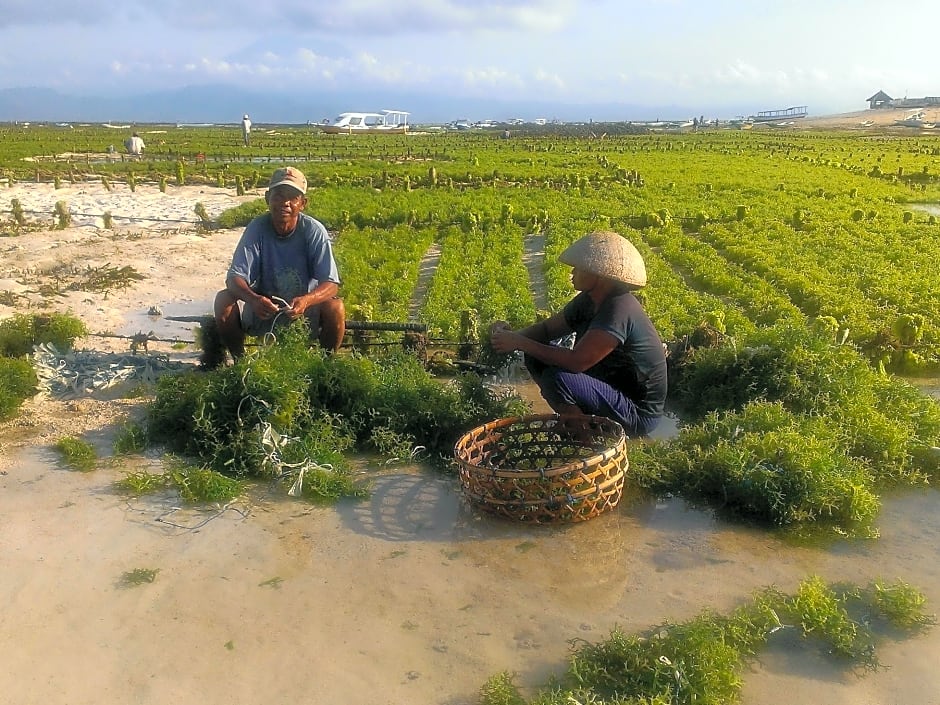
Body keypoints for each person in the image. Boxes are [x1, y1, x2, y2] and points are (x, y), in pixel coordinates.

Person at [490, 230, 667, 437]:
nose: (572, 273)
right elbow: (546, 330)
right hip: (609, 389)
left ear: (600, 276)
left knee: (558, 379)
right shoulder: (588, 301)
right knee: (536, 357)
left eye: (580, 268)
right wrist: (510, 336)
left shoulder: (618, 309)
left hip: (637, 412)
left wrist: (520, 342)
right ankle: (579, 421)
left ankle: (586, 438)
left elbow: (577, 362)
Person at [213, 166, 345, 363]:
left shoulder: (314, 231)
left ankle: (325, 365)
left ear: (303, 203)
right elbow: (234, 279)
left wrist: (307, 300)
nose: (285, 203)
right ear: (267, 198)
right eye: (279, 195)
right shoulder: (257, 228)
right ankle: (241, 363)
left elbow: (331, 283)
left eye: (293, 197)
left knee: (336, 307)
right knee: (223, 300)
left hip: (304, 312)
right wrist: (255, 299)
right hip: (264, 310)